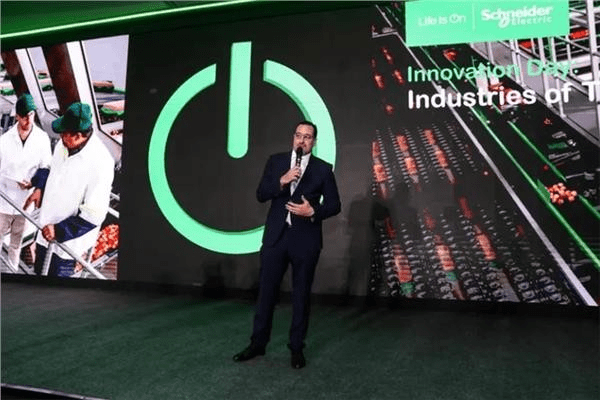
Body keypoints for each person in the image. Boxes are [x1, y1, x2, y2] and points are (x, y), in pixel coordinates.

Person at [233, 121, 341, 369]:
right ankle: (257, 344)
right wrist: (281, 181)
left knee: (301, 296)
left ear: (314, 142)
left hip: (306, 240)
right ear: (293, 138)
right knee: (266, 294)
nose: (302, 140)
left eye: (308, 137)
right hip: (276, 238)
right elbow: (261, 194)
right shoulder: (276, 161)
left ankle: (296, 348)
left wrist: (312, 211)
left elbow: (334, 205)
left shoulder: (323, 169)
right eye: (298, 135)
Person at [23, 102, 114, 277]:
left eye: (64, 134)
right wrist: (39, 187)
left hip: (66, 247)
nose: (60, 137)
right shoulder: (63, 145)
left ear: (78, 136)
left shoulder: (101, 163)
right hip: (44, 230)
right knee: (38, 274)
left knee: (55, 286)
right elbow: (50, 168)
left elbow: (94, 215)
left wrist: (59, 231)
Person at [0, 94, 52, 272]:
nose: (28, 120)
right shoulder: (4, 141)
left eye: (31, 115)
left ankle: (12, 272)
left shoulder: (42, 138)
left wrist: (35, 185)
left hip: (25, 201)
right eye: (24, 116)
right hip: (4, 200)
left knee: (16, 243)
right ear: (17, 116)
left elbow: (45, 166)